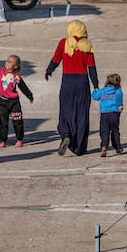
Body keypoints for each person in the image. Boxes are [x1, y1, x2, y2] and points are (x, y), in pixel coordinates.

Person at [45, 20, 99, 156]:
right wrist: (96, 84)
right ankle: (80, 148)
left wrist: (48, 71)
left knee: (65, 111)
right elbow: (91, 67)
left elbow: (56, 60)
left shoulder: (64, 43)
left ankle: (66, 133)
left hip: (67, 81)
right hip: (82, 81)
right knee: (82, 114)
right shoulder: (86, 45)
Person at [91, 74, 124, 157]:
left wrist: (95, 90)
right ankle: (118, 147)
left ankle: (104, 146)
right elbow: (119, 103)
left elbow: (95, 97)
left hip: (104, 114)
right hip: (114, 114)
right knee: (115, 131)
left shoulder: (103, 91)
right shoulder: (118, 91)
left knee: (104, 131)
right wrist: (120, 107)